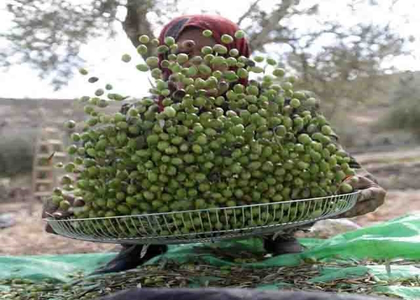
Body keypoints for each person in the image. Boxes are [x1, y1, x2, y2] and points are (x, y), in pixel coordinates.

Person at [42, 14, 386, 274]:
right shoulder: (137, 117)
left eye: (212, 54)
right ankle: (139, 245)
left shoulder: (282, 109)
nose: (195, 63)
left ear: (237, 60)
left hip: (268, 214)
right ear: (165, 63)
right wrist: (77, 204)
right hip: (167, 221)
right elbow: (105, 182)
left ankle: (279, 236)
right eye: (182, 54)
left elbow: (337, 166)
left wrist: (355, 186)